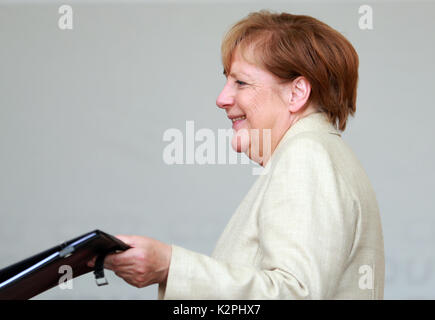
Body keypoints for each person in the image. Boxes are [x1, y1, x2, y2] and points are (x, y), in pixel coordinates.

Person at [88, 10, 385, 299]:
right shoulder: (323, 153)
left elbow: (295, 294)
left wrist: (169, 266)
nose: (221, 99)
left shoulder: (305, 156)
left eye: (241, 82)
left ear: (296, 94)